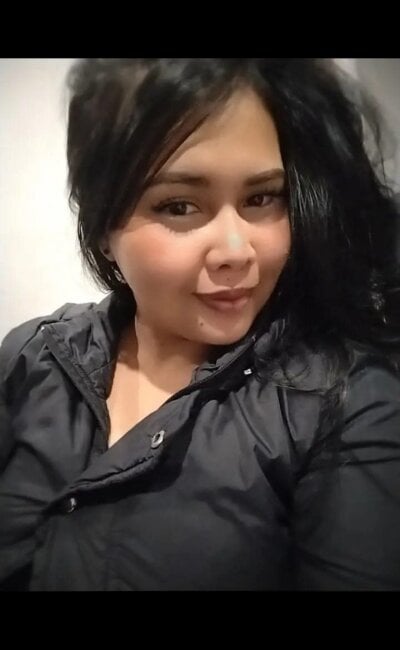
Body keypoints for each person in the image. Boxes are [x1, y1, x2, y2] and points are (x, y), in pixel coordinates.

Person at [1, 58, 400, 591]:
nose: (236, 251)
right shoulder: (34, 356)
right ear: (101, 227)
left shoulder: (344, 400)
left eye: (261, 198)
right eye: (180, 206)